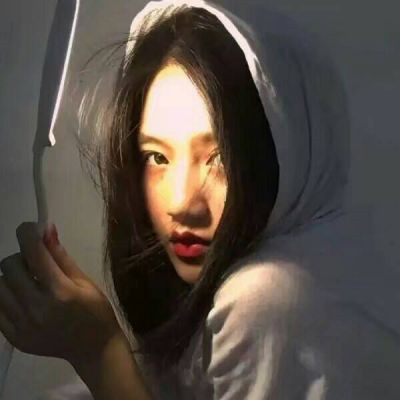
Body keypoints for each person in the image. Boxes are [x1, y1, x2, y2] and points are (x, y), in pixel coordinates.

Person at [1, 0, 400, 399]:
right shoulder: (334, 253)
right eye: (157, 157)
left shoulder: (270, 299)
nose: (181, 204)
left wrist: (98, 351)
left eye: (219, 159)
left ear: (288, 150)